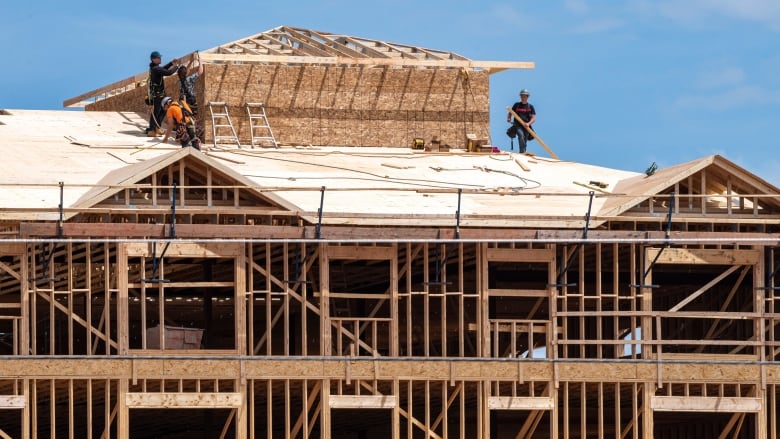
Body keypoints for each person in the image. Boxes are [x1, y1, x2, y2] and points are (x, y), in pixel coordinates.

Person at [145, 51, 179, 137]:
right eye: (158, 58)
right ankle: (152, 130)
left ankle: (156, 127)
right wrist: (177, 67)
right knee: (157, 112)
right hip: (158, 95)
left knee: (163, 110)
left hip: (160, 94)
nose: (160, 59)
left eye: (160, 57)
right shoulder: (156, 69)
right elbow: (168, 72)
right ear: (153, 59)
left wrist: (171, 63)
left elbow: (163, 69)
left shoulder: (154, 67)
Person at [506, 89, 536, 153]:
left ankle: (523, 151)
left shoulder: (530, 106)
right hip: (518, 125)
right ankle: (522, 152)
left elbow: (533, 118)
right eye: (522, 96)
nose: (523, 97)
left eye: (524, 96)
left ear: (527, 97)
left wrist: (528, 123)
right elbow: (510, 112)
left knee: (524, 139)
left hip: (526, 126)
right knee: (521, 135)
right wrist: (509, 118)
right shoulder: (516, 105)